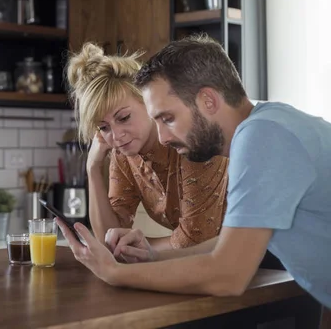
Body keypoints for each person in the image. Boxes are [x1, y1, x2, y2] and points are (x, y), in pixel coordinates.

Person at [56, 35, 331, 310]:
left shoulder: (262, 136)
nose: (162, 138)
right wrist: (151, 256)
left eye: (168, 118)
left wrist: (116, 274)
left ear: (208, 101)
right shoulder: (273, 123)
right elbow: (226, 246)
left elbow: (228, 275)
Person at [65, 42, 229, 255]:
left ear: (147, 101)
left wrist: (140, 246)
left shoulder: (190, 140)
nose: (116, 136)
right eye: (103, 127)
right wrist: (93, 168)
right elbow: (110, 236)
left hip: (266, 256)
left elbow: (195, 240)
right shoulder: (125, 155)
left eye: (124, 118)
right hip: (211, 263)